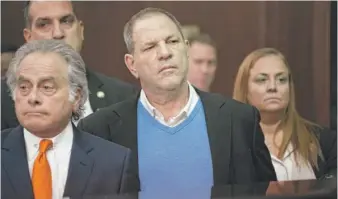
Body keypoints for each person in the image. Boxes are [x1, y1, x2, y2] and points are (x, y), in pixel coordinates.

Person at [78, 7, 277, 190]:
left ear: (186, 49)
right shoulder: (99, 130)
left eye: (172, 41)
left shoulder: (239, 120)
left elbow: (267, 192)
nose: (165, 53)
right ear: (132, 65)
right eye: (150, 47)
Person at [1, 40, 137, 199]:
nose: (33, 98)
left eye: (47, 87)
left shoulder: (114, 162)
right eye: (24, 87)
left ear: (76, 97)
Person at [1, 0, 138, 130]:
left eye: (66, 21)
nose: (58, 33)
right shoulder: (3, 100)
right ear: (28, 37)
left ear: (81, 30)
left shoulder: (123, 97)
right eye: (44, 24)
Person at [233, 47, 337, 181]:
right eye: (262, 80)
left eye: (281, 79)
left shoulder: (323, 141)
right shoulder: (228, 144)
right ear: (245, 89)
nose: (273, 87)